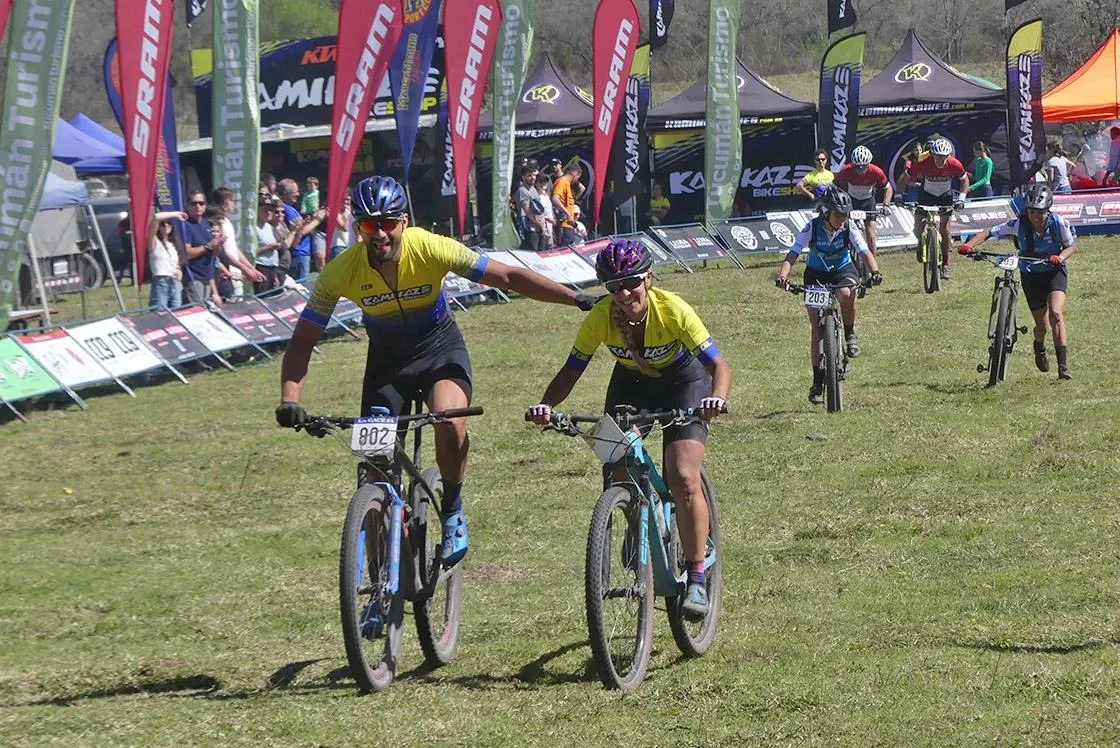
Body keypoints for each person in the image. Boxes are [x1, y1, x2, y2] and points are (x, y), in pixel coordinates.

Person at [275, 175, 597, 567]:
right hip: (387, 366)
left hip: (439, 353)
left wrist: (575, 297)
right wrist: (290, 399)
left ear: (404, 221)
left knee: (449, 419)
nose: (379, 234)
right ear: (357, 226)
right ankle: (378, 588)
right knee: (373, 472)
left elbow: (508, 277)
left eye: (387, 222)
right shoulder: (340, 272)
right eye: (368, 225)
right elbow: (303, 341)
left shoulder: (429, 247)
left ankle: (453, 509)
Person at [525, 239, 731, 619]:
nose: (623, 292)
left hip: (683, 383)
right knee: (616, 468)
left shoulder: (674, 310)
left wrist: (715, 399)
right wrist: (546, 406)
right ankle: (635, 522)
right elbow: (572, 371)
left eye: (631, 282)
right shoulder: (600, 317)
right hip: (630, 386)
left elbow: (719, 367)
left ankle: (698, 576)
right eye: (613, 286)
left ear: (648, 278)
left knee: (684, 476)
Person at [774, 186, 883, 404]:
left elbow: (864, 251)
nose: (842, 219)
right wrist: (782, 276)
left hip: (843, 271)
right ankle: (817, 381)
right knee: (816, 330)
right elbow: (793, 254)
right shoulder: (812, 227)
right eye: (838, 214)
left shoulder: (849, 227)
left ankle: (850, 333)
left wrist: (875, 272)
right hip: (815, 274)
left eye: (845, 215)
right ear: (826, 212)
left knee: (846, 292)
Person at [958, 183, 1076, 380]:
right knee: (1042, 326)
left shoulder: (1059, 223)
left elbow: (1071, 246)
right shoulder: (1018, 224)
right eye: (1031, 212)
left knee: (1056, 313)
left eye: (1039, 212)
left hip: (1054, 271)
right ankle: (1039, 344)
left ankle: (1063, 367)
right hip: (1031, 274)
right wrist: (969, 245)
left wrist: (1061, 257)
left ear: (1048, 210)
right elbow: (989, 232)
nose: (1035, 216)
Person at [897, 137, 969, 280]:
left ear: (948, 156)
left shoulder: (955, 164)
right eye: (938, 157)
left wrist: (961, 198)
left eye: (944, 157)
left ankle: (946, 264)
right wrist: (899, 195)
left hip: (945, 196)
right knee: (918, 226)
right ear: (932, 154)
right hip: (926, 195)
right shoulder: (922, 163)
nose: (941, 160)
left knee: (946, 229)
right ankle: (921, 242)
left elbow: (965, 180)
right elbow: (904, 178)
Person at [834, 145, 893, 257]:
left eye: (864, 167)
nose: (861, 170)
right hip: (851, 201)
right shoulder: (847, 170)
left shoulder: (876, 171)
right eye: (857, 167)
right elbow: (834, 186)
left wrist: (886, 204)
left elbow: (888, 188)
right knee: (843, 230)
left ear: (869, 164)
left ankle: (873, 268)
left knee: (871, 235)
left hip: (868, 201)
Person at [180, 190, 223, 306]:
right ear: (188, 205)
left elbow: (214, 254)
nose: (198, 206)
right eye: (194, 203)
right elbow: (187, 253)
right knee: (195, 312)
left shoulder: (206, 224)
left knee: (206, 312)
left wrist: (218, 244)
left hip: (207, 276)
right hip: (193, 277)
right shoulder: (186, 225)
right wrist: (209, 246)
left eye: (201, 203)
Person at [148, 210, 187, 309]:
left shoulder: (173, 244)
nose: (166, 226)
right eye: (163, 224)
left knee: (177, 313)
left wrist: (178, 269)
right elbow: (156, 217)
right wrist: (176, 214)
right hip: (161, 281)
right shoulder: (154, 242)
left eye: (168, 223)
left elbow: (175, 262)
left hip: (175, 282)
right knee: (160, 314)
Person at [254, 198, 285, 292]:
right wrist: (269, 248)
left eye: (271, 210)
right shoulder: (254, 227)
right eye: (265, 210)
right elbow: (250, 251)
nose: (268, 212)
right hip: (261, 266)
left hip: (273, 267)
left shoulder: (270, 227)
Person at [552, 162, 583, 247]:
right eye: (577, 178)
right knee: (563, 249)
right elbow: (555, 199)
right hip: (563, 225)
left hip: (569, 226)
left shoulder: (567, 184)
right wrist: (568, 214)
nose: (577, 180)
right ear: (575, 174)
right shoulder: (562, 181)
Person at [516, 163, 545, 251]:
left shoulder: (533, 189)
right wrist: (538, 224)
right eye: (529, 175)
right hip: (530, 229)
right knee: (533, 253)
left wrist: (543, 225)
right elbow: (527, 210)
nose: (532, 177)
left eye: (534, 175)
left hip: (539, 227)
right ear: (523, 176)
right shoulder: (522, 191)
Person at [533, 172, 556, 250]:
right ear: (535, 182)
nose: (543, 183)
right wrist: (547, 219)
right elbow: (535, 212)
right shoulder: (535, 196)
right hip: (541, 226)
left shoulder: (545, 195)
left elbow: (549, 209)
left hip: (550, 226)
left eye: (545, 181)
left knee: (550, 246)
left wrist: (553, 218)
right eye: (540, 181)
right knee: (543, 248)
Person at [329, 194, 352, 262]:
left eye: (347, 199)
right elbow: (344, 228)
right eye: (343, 199)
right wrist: (347, 217)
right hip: (339, 246)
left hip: (350, 246)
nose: (345, 202)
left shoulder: (352, 212)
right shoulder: (335, 213)